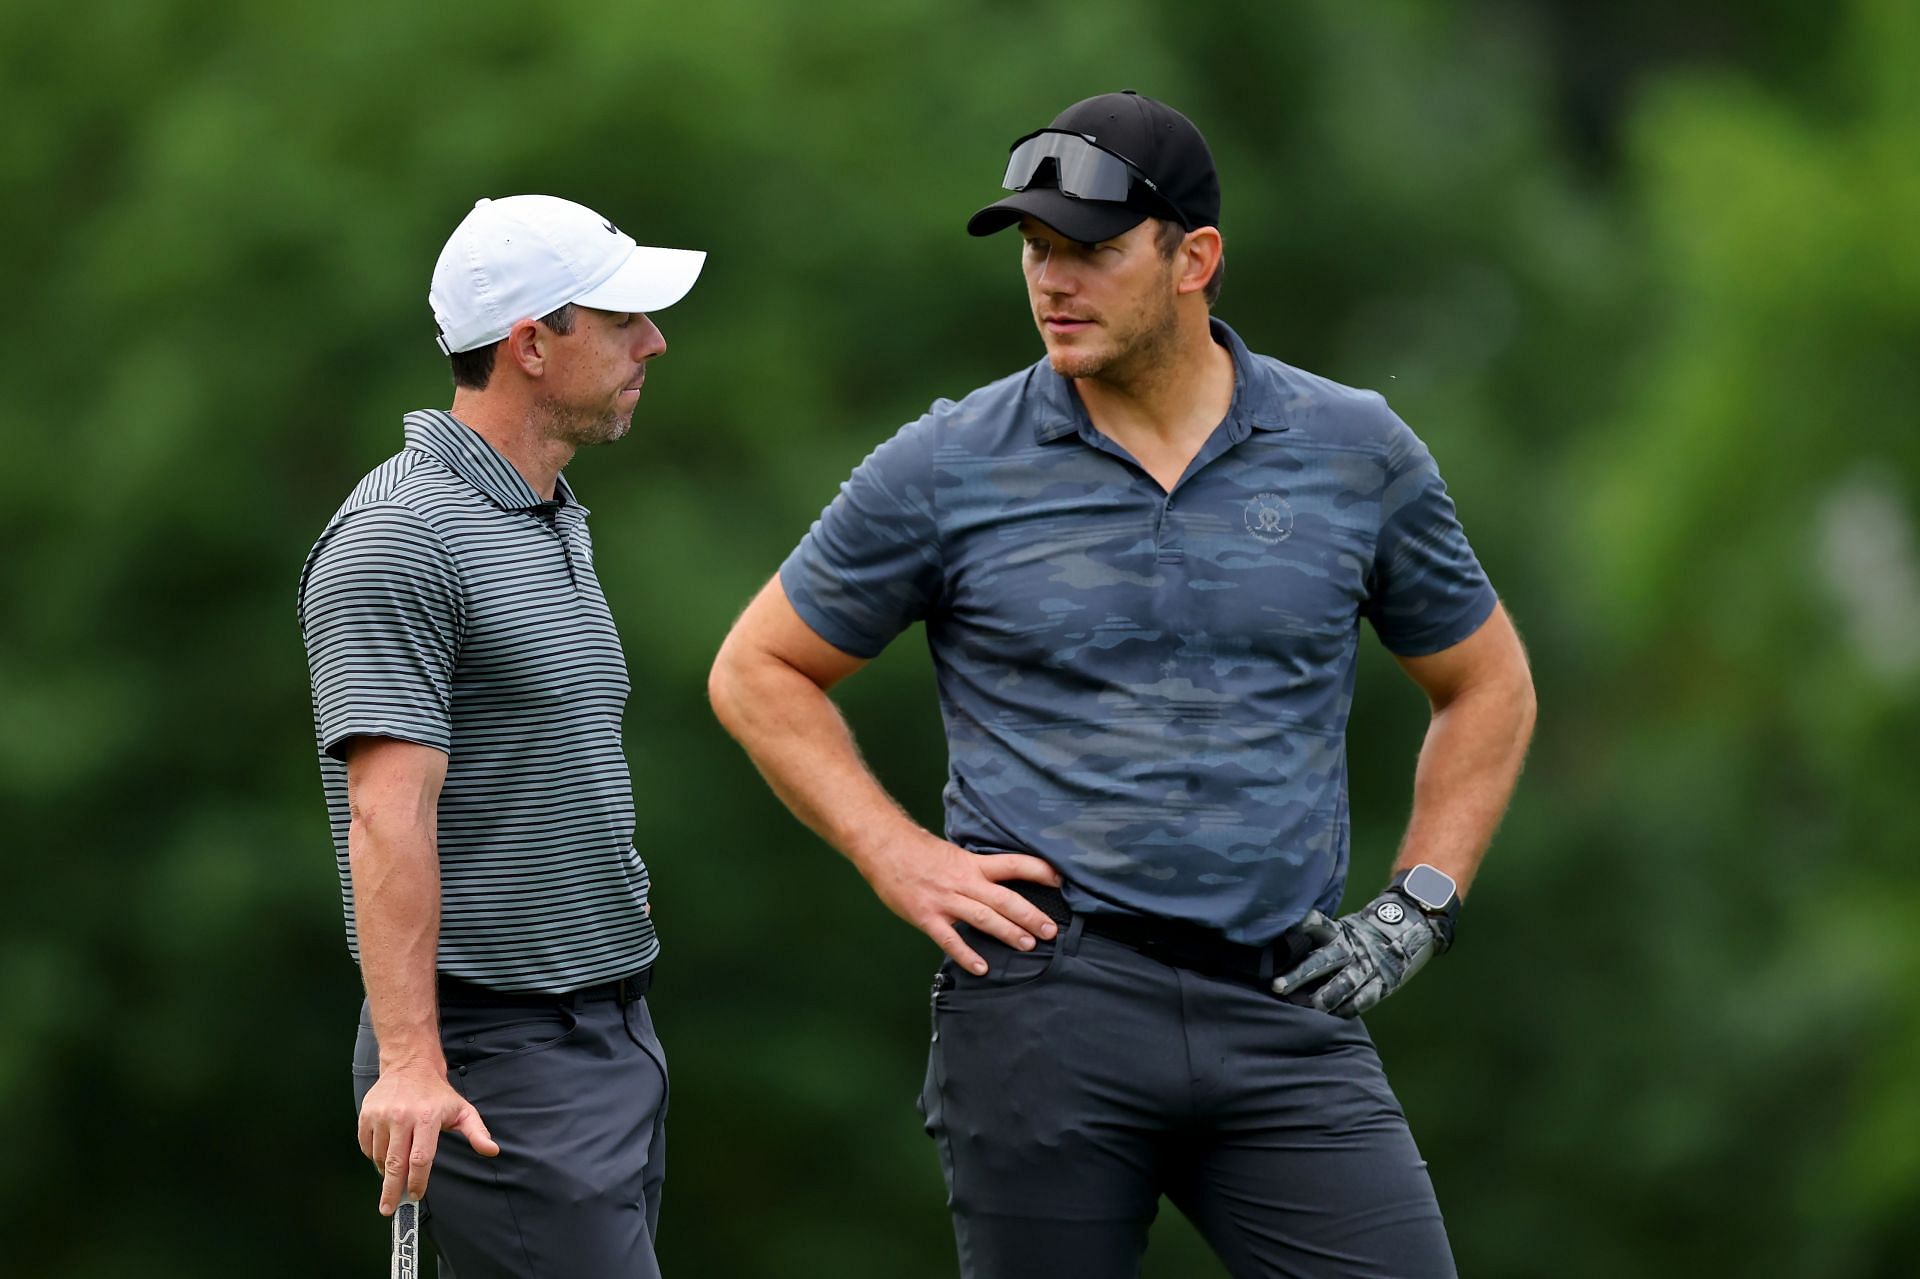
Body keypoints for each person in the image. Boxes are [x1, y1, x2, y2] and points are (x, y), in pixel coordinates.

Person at [708, 92, 1535, 1278]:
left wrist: (1420, 904)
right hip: (1048, 1005)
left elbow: (1488, 683)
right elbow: (759, 667)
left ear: (1194, 258)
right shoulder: (948, 463)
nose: (1052, 281)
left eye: (1089, 250)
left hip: (1285, 1004)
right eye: (1036, 251)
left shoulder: (1356, 452)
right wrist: (897, 854)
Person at [298, 194, 704, 1278]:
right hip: (492, 1062)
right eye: (622, 321)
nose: (653, 342)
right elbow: (387, 816)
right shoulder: (399, 537)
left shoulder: (545, 512)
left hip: (613, 1032)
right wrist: (412, 1062)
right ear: (532, 343)